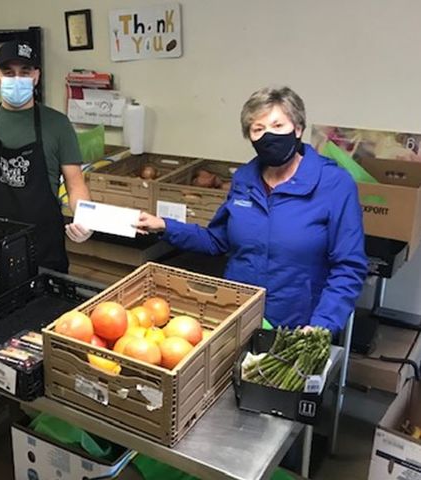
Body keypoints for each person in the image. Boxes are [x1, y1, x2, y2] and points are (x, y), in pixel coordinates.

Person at [136, 86, 367, 334]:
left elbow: (349, 266)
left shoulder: (333, 184)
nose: (268, 136)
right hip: (238, 315)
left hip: (298, 326)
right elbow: (217, 240)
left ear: (298, 129)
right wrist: (164, 226)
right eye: (258, 129)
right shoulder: (245, 179)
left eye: (278, 126)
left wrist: (321, 326)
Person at [0, 40, 92, 273]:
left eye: (24, 72)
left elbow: (75, 184)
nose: (17, 79)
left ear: (36, 76)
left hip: (44, 244)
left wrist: (85, 218)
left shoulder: (57, 124)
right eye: (8, 73)